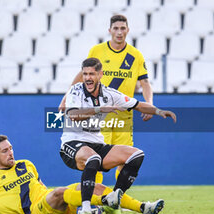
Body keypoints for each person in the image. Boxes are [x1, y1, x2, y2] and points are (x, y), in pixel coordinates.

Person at [0, 135, 163, 214]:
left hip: (48, 200)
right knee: (61, 192)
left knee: (95, 185)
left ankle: (144, 207)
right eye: (4, 151)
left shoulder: (25, 164)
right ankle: (98, 206)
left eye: (11, 148)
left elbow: (39, 185)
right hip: (34, 212)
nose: (10, 153)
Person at [59, 58, 176, 214]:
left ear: (100, 74)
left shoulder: (109, 94)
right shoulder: (75, 91)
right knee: (92, 158)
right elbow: (73, 115)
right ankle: (85, 211)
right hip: (72, 144)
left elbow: (137, 104)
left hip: (96, 144)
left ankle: (114, 198)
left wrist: (158, 111)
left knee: (136, 155)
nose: (87, 78)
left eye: (91, 74)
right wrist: (99, 109)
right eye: (85, 74)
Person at [59, 14, 154, 182]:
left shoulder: (135, 55)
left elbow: (145, 82)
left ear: (128, 30)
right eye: (116, 28)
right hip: (100, 117)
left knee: (126, 159)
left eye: (122, 28)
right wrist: (65, 98)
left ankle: (117, 199)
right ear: (109, 30)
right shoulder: (97, 51)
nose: (119, 32)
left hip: (123, 116)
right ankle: (95, 199)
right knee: (95, 159)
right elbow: (83, 75)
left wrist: (150, 104)